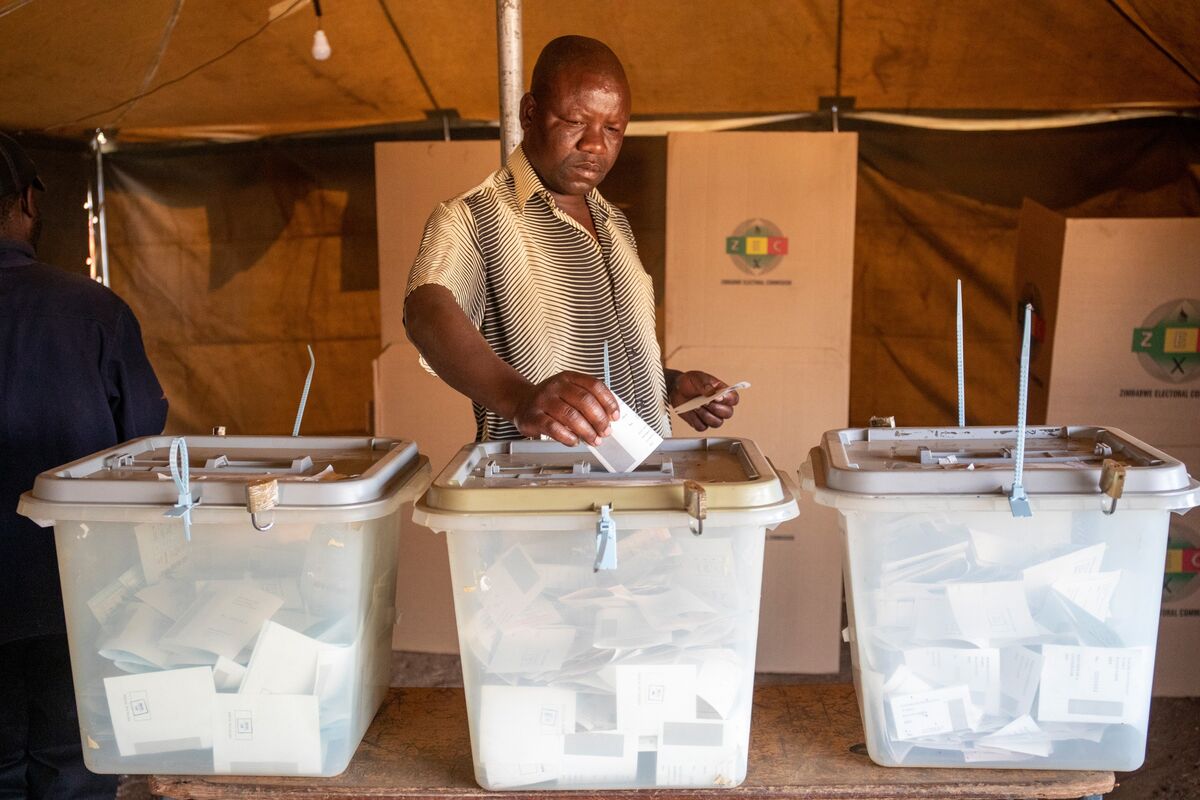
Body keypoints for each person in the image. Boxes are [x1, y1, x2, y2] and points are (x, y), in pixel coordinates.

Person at [404, 35, 739, 446]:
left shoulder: (616, 224)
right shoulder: (473, 215)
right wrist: (520, 398)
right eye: (575, 122)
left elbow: (605, 353)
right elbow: (425, 310)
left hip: (644, 475)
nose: (595, 144)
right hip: (542, 488)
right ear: (530, 113)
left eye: (613, 128)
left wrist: (669, 384)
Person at [0, 132, 168, 799]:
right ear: (28, 202)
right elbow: (143, 436)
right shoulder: (94, 310)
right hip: (76, 588)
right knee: (75, 765)